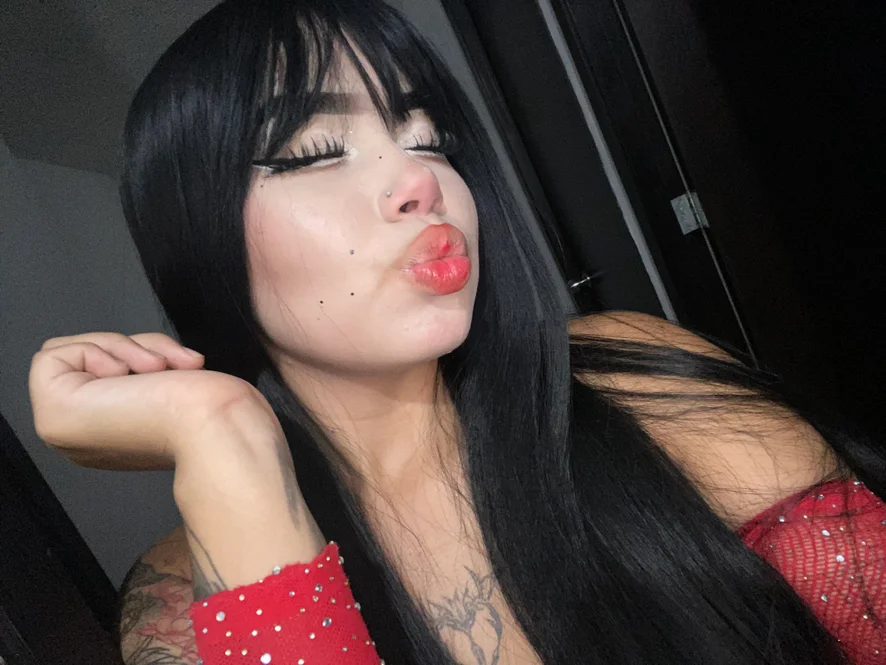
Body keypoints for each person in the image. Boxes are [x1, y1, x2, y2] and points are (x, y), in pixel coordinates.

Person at [27, 0, 885, 663]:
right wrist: (222, 438)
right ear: (197, 236)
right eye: (314, 150)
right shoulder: (183, 591)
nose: (419, 179)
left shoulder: (642, 384)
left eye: (428, 138)